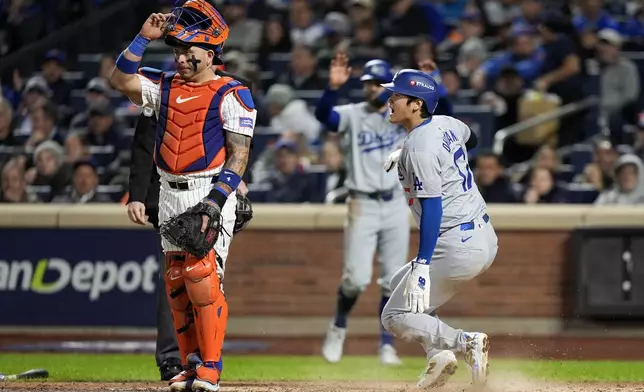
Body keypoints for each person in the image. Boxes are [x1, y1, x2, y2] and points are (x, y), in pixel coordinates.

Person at [109, 1, 256, 391]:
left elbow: (239, 156)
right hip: (168, 192)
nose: (182, 59)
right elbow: (120, 80)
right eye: (177, 51)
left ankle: (210, 367)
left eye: (189, 52)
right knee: (176, 281)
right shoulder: (164, 84)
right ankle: (189, 364)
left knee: (203, 278)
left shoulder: (233, 92)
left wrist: (215, 202)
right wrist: (143, 39)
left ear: (210, 54)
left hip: (208, 190)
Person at [379, 69, 498, 388]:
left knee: (394, 316)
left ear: (417, 104)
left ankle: (464, 342)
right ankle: (439, 354)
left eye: (396, 96)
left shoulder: (420, 148)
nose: (389, 100)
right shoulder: (445, 122)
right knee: (398, 285)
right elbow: (472, 139)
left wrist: (422, 263)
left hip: (455, 242)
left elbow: (432, 209)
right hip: (483, 234)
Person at [314, 54, 409, 366]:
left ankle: (386, 344)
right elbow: (324, 116)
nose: (372, 88)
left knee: (393, 280)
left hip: (395, 201)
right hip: (362, 202)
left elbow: (441, 117)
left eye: (378, 83)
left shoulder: (403, 115)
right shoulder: (353, 114)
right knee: (355, 279)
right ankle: (338, 327)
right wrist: (331, 88)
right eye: (368, 83)